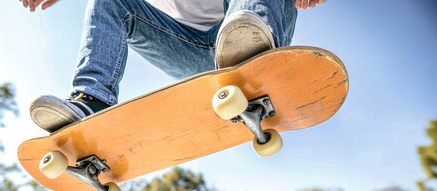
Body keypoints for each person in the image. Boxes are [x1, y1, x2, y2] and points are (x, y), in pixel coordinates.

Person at [19, 0, 326, 132]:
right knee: (109, 2)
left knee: (242, 23)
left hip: (250, 23)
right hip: (188, 48)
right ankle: (91, 100)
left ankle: (251, 53)